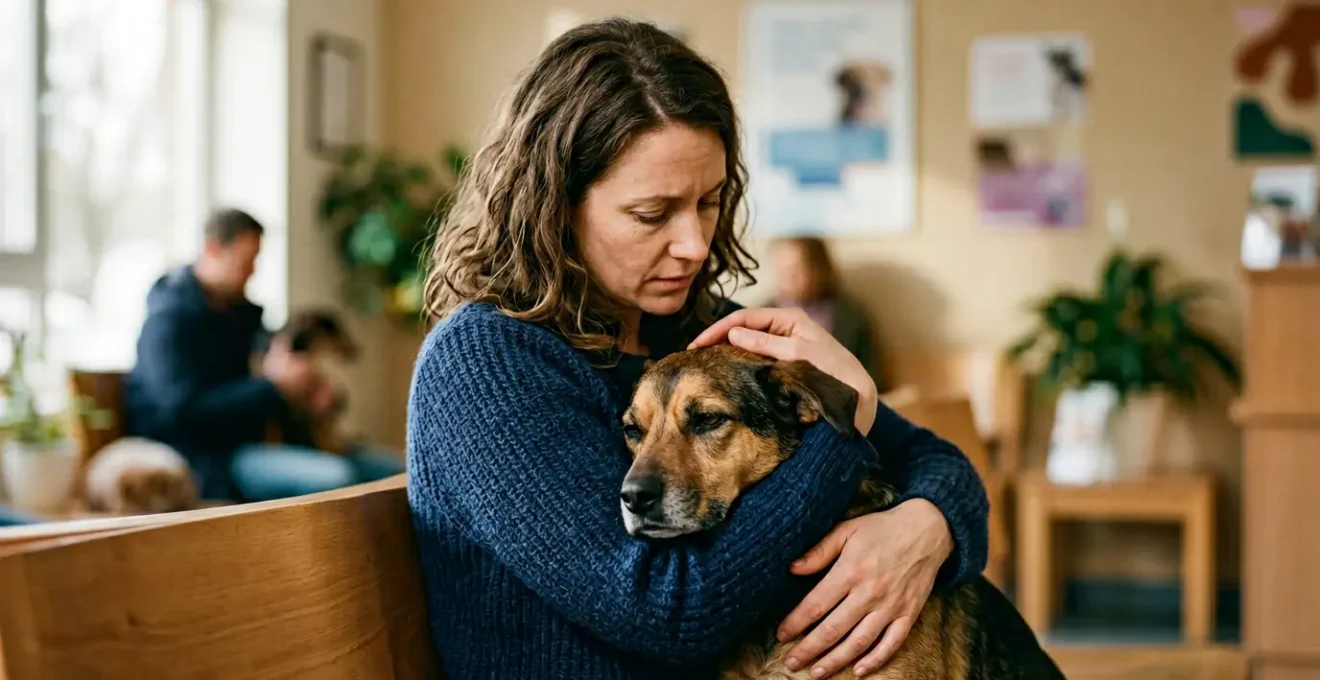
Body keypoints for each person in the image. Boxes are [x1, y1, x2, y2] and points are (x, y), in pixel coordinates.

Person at [407, 19, 988, 680]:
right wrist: (841, 411)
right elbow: (666, 612)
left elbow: (938, 461)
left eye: (709, 203)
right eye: (653, 214)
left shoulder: (703, 334)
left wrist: (924, 529)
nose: (695, 245)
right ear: (556, 205)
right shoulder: (487, 363)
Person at [123, 208, 402, 502]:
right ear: (212, 249)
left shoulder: (244, 316)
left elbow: (269, 382)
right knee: (337, 478)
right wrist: (273, 386)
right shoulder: (168, 320)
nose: (252, 271)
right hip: (209, 456)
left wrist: (313, 393)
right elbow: (181, 409)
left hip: (258, 444)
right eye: (246, 261)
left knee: (396, 471)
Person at [768, 235, 887, 391]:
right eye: (782, 270)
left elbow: (873, 379)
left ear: (820, 269)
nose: (788, 279)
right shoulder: (762, 314)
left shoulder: (850, 316)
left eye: (797, 269)